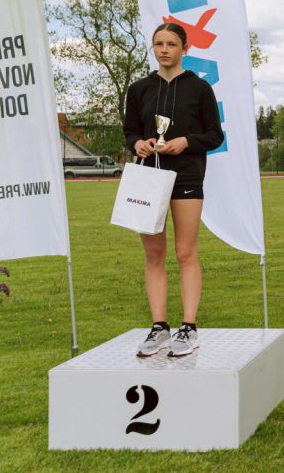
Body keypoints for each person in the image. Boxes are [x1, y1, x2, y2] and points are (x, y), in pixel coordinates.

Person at [124, 23, 223, 358]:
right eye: (158, 44)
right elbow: (129, 132)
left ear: (185, 48)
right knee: (153, 254)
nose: (164, 49)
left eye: (171, 44)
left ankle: (189, 328)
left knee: (184, 253)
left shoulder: (200, 88)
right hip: (148, 178)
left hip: (186, 177)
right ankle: (159, 327)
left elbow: (215, 135)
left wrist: (186, 142)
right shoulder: (139, 89)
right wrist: (138, 143)